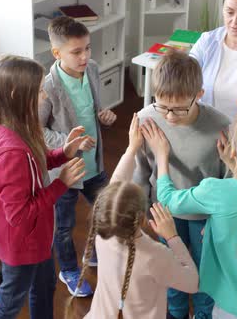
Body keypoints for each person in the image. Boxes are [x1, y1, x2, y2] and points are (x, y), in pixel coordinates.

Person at [144, 111, 237, 319]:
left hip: (232, 305)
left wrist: (161, 155)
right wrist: (233, 165)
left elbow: (167, 199)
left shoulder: (216, 191)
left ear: (235, 152)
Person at [0, 55, 87, 318]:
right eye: (39, 90)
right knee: (9, 303)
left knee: (45, 285)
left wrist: (64, 152)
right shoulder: (9, 153)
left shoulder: (15, 127)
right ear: (18, 95)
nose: (44, 95)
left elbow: (35, 163)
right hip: (21, 244)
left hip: (38, 236)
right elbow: (19, 214)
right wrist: (61, 184)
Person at [65, 113, 199, 319]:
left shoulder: (102, 233)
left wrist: (132, 148)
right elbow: (192, 282)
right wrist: (173, 237)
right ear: (143, 219)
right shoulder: (155, 254)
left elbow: (116, 184)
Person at [133, 51, 231, 319]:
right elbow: (141, 169)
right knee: (171, 267)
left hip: (204, 218)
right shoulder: (146, 119)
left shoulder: (221, 126)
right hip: (165, 214)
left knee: (203, 271)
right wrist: (140, 208)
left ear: (199, 94)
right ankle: (175, 314)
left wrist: (219, 221)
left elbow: (230, 179)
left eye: (179, 109)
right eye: (162, 106)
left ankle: (202, 314)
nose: (170, 117)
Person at [39, 16, 117, 297]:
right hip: (66, 172)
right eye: (76, 51)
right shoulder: (47, 88)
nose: (85, 56)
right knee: (64, 227)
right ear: (57, 53)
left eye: (87, 48)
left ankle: (93, 252)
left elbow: (92, 108)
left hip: (94, 163)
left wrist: (103, 116)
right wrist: (70, 142)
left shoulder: (92, 69)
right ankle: (69, 270)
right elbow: (38, 132)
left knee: (106, 211)